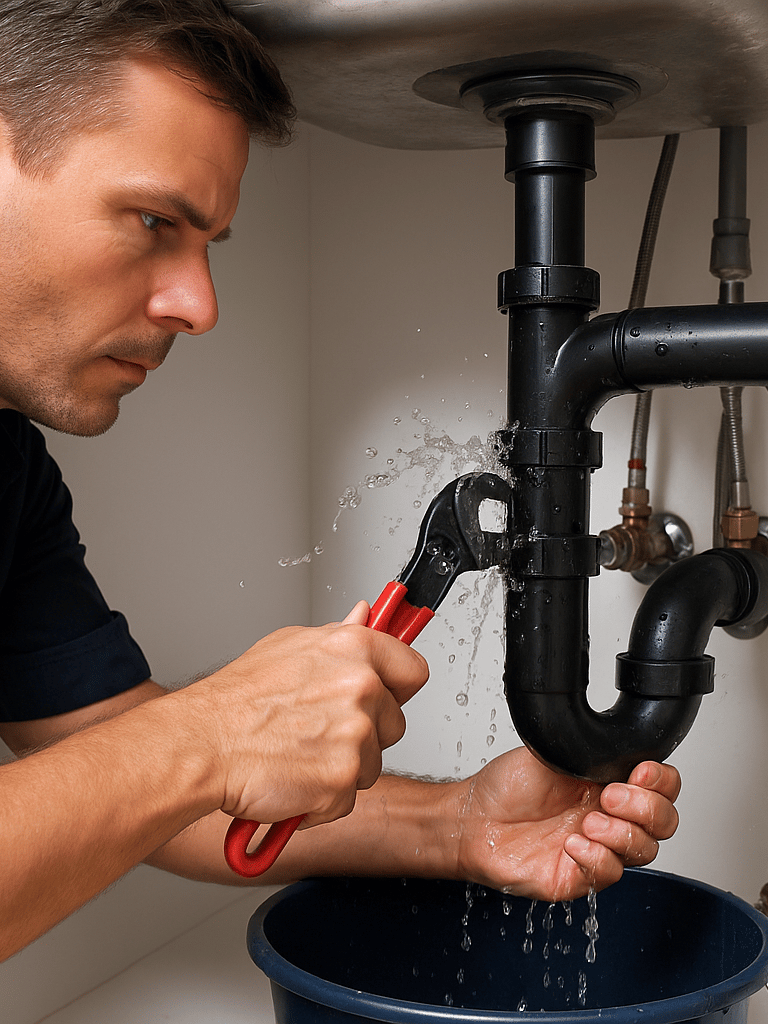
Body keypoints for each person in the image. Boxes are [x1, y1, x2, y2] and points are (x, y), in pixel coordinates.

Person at [0, 0, 681, 963]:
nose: (199, 304)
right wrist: (209, 733)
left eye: (207, 246)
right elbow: (162, 763)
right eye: (153, 220)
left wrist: (456, 826)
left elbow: (103, 756)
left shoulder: (13, 467)